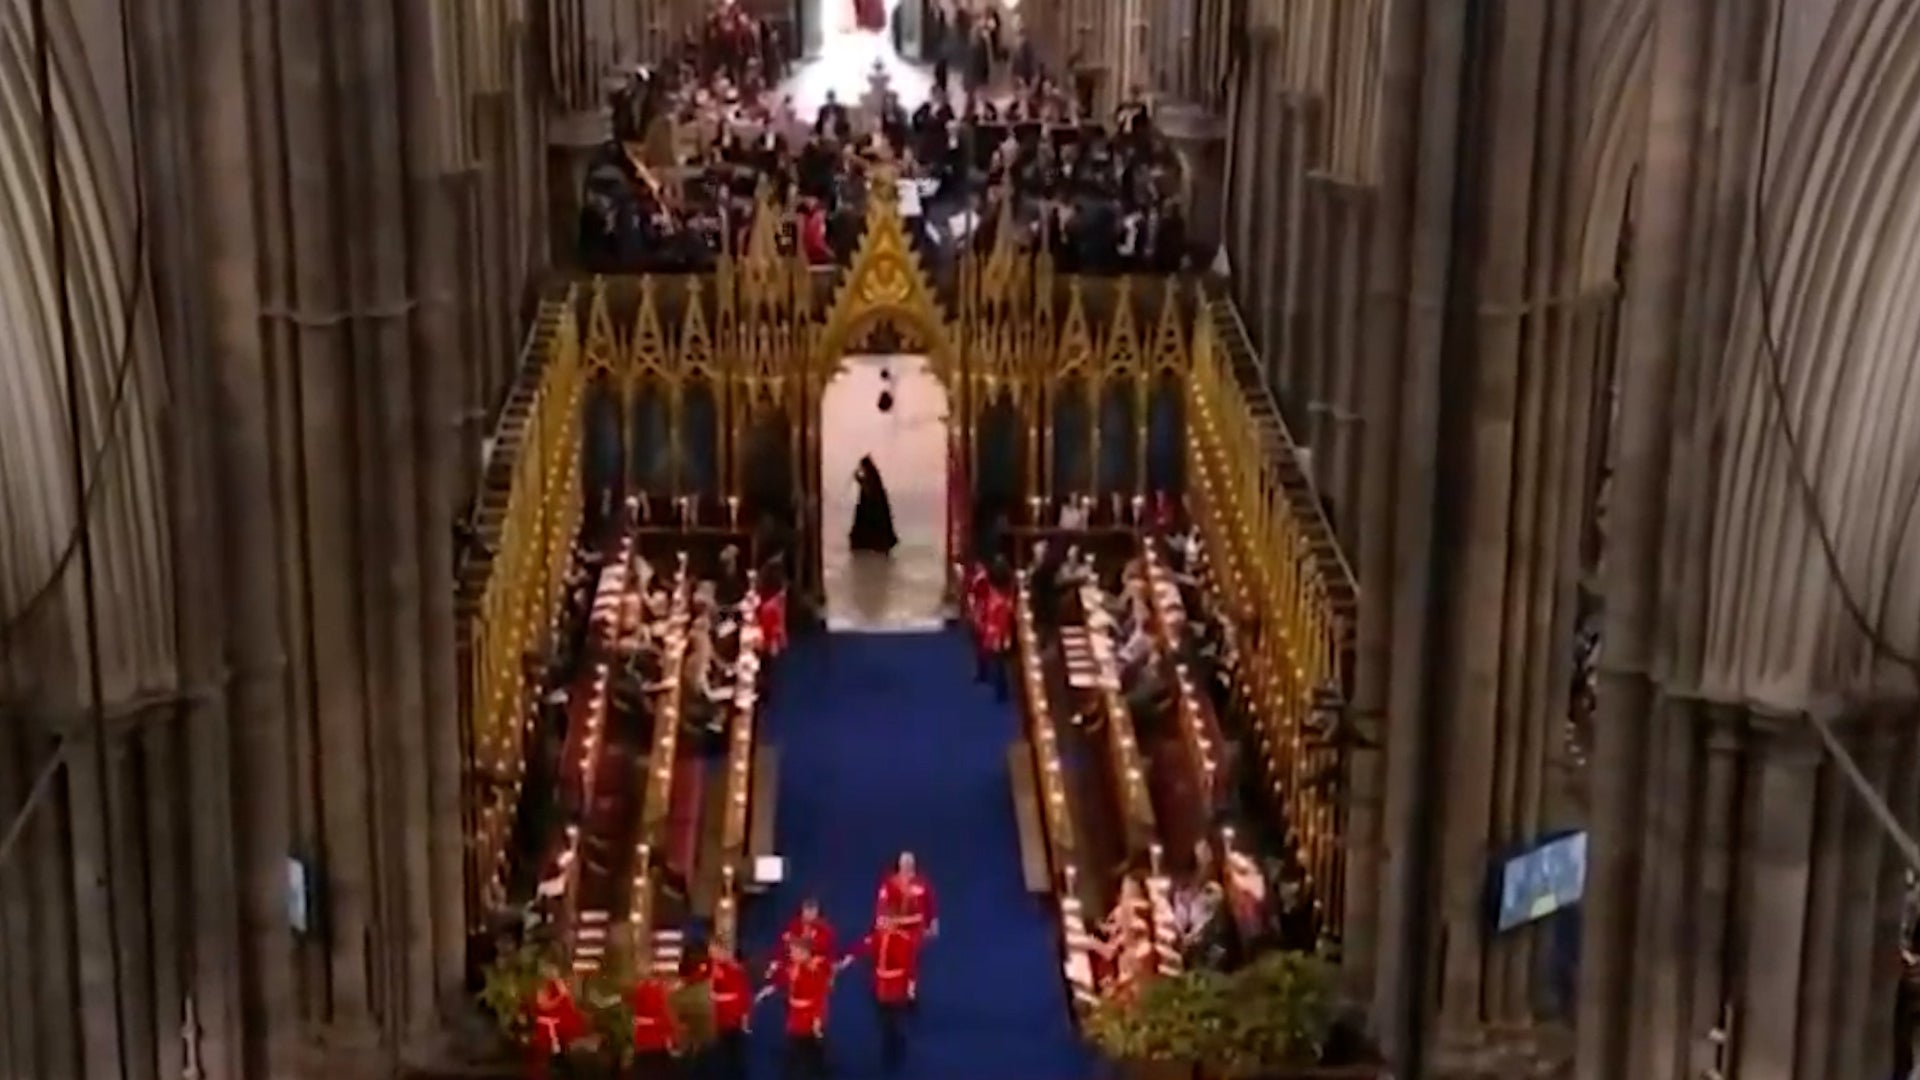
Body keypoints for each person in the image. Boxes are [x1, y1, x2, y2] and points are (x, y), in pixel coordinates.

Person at [848, 915, 923, 1072]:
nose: (880, 925)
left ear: (894, 923)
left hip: (895, 987)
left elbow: (910, 967)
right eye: (879, 922)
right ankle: (891, 1042)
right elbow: (862, 947)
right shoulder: (876, 937)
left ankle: (894, 1048)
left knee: (892, 1020)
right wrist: (846, 959)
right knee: (882, 1019)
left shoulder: (904, 940)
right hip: (878, 985)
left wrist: (910, 989)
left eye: (884, 922)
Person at [757, 937, 840, 1080]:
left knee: (804, 1049)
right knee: (804, 1049)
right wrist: (768, 990)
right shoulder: (793, 967)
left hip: (807, 1017)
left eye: (795, 952)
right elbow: (784, 980)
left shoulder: (814, 971)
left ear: (805, 953)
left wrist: (817, 1020)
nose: (791, 955)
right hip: (795, 1015)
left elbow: (820, 997)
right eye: (791, 951)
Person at [691, 939, 753, 1079]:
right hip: (712, 1018)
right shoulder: (708, 968)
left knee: (730, 1055)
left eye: (716, 951)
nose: (713, 954)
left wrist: (743, 1016)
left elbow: (742, 994)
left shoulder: (734, 969)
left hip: (729, 1018)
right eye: (711, 951)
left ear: (723, 951)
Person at [528, 969, 589, 1079]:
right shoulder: (543, 987)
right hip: (547, 1028)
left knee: (560, 1052)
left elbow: (568, 1001)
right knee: (545, 1056)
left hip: (560, 1027)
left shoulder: (559, 984)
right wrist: (560, 998)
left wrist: (564, 993)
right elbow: (544, 1005)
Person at [973, 560, 1014, 700]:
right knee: (997, 663)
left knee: (1000, 664)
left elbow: (1002, 621)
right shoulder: (995, 597)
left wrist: (1001, 637)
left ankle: (1002, 691)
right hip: (993, 633)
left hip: (998, 635)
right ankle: (997, 686)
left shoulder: (1000, 601)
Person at [875, 851, 938, 938]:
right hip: (893, 929)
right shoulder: (890, 883)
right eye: (904, 863)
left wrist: (933, 926)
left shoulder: (922, 884)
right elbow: (882, 903)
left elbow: (930, 905)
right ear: (899, 864)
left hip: (915, 931)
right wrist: (881, 919)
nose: (907, 865)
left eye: (909, 863)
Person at [629, 971, 682, 1073]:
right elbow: (666, 1017)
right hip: (657, 1042)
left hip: (641, 1041)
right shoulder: (661, 992)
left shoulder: (640, 989)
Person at [849, 455, 899, 554]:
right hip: (873, 514)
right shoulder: (873, 476)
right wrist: (859, 480)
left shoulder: (872, 477)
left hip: (873, 514)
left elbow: (869, 491)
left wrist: (859, 480)